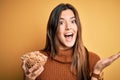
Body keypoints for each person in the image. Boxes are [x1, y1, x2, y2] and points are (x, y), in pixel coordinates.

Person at [21, 3, 120, 80]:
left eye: (73, 21)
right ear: (53, 29)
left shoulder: (93, 60)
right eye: (61, 22)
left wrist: (96, 71)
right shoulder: (36, 60)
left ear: (78, 27)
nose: (68, 27)